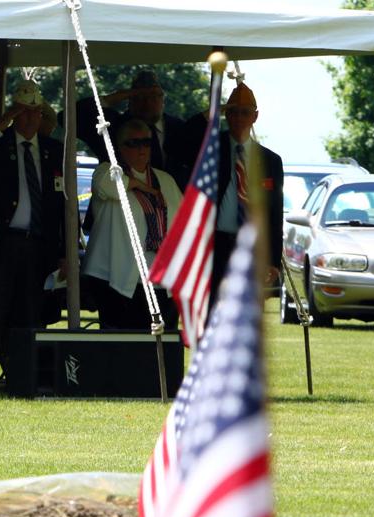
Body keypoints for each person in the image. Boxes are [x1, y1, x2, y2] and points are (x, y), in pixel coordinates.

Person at [0, 81, 65, 393]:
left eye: (35, 112)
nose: (29, 119)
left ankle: (23, 380)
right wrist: (3, 121)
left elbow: (63, 203)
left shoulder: (54, 151)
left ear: (42, 115)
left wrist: (65, 250)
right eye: (23, 113)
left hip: (38, 244)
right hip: (3, 242)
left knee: (30, 314)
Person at [188, 83, 284, 305]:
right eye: (232, 112)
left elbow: (275, 213)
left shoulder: (270, 160)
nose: (239, 117)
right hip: (216, 244)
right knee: (212, 308)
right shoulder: (211, 148)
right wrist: (214, 111)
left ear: (255, 117)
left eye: (245, 112)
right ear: (225, 114)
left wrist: (273, 260)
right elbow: (185, 136)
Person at [82, 118, 182, 330]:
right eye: (133, 143)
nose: (141, 149)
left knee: (160, 349)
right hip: (117, 278)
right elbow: (108, 186)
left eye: (146, 142)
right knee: (123, 348)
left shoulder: (165, 180)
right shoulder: (106, 171)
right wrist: (139, 185)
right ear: (119, 147)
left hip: (161, 279)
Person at [74, 69, 195, 190]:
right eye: (140, 97)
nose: (147, 103)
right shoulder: (113, 125)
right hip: (121, 198)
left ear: (162, 98)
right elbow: (70, 117)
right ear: (129, 99)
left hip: (173, 200)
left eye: (153, 96)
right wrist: (113, 98)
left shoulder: (178, 128)